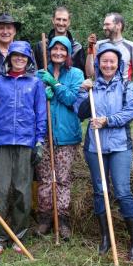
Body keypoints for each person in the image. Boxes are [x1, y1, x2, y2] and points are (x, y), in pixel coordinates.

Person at [74, 43, 133, 261]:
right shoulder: (92, 86)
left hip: (120, 146)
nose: (108, 64)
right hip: (95, 147)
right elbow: (80, 112)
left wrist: (108, 121)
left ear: (119, 63)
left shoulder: (126, 85)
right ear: (98, 64)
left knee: (122, 191)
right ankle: (105, 237)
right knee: (100, 191)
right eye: (104, 61)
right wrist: (82, 91)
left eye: (112, 61)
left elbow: (130, 111)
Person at [0, 41, 47, 254]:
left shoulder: (36, 83)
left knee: (22, 190)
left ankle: (18, 236)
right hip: (1, 141)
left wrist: (39, 141)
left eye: (24, 56)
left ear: (29, 59)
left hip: (25, 141)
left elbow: (40, 114)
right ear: (9, 58)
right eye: (16, 55)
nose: (19, 59)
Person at [34, 36, 84, 240]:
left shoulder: (76, 74)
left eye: (63, 50)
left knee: (62, 179)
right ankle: (45, 218)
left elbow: (72, 99)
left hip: (66, 135)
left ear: (69, 53)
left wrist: (54, 85)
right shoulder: (39, 74)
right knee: (45, 179)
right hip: (44, 134)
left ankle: (62, 220)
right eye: (55, 49)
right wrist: (40, 92)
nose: (58, 53)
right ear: (49, 51)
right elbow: (33, 101)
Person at [85, 13, 133, 123]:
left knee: (121, 128)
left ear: (118, 25)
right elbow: (90, 73)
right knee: (98, 126)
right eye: (104, 25)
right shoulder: (98, 45)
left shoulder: (131, 46)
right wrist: (90, 50)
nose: (104, 27)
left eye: (107, 24)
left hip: (123, 95)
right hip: (101, 95)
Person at [34, 6, 86, 74]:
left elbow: (82, 75)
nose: (61, 23)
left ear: (69, 22)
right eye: (58, 19)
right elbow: (34, 71)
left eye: (64, 20)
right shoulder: (41, 45)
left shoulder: (77, 48)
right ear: (53, 20)